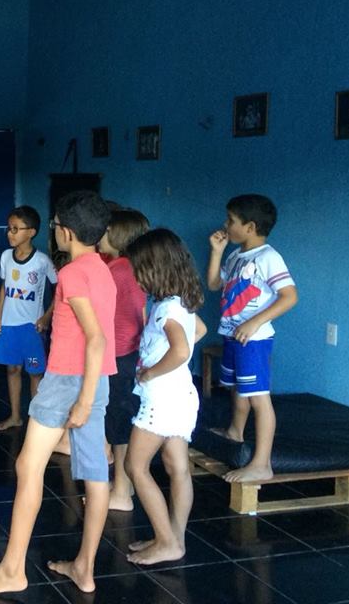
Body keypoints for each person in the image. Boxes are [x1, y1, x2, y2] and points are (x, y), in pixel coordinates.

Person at [0, 190, 115, 595]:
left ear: (65, 232)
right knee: (95, 474)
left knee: (28, 466)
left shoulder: (71, 273)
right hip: (98, 378)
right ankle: (84, 568)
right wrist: (90, 395)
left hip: (68, 380)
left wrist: (82, 401)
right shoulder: (102, 268)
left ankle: (13, 569)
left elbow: (96, 338)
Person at [123, 228, 207, 565]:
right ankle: (174, 539)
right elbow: (199, 331)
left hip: (162, 399)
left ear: (154, 269)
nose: (136, 277)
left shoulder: (165, 310)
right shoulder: (179, 303)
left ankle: (166, 541)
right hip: (182, 395)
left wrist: (151, 371)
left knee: (135, 466)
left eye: (139, 270)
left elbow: (182, 349)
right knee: (177, 467)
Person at [206, 194, 297, 483]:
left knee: (258, 398)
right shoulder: (236, 255)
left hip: (254, 340)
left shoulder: (268, 257)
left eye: (231, 220)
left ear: (250, 227)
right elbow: (214, 284)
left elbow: (289, 296)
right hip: (233, 335)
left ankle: (261, 463)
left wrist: (255, 322)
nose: (226, 225)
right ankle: (235, 431)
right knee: (237, 388)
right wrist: (217, 252)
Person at [98, 208, 150, 511]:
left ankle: (121, 491)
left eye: (106, 230)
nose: (101, 235)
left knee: (119, 423)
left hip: (119, 355)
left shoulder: (117, 271)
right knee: (120, 419)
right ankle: (122, 484)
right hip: (130, 353)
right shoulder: (132, 267)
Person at [0, 205, 57, 432]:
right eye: (9, 228)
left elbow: (61, 289)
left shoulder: (42, 261)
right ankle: (15, 416)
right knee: (12, 370)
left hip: (31, 328)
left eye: (15, 229)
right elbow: (4, 287)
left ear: (31, 232)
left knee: (35, 373)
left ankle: (36, 422)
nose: (10, 233)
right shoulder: (5, 257)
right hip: (9, 326)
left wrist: (46, 316)